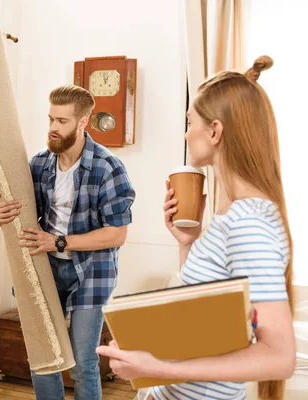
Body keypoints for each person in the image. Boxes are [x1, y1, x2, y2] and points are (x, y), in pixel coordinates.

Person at [96, 56, 296, 400]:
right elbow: (211, 320)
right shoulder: (231, 215)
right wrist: (188, 241)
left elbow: (278, 358)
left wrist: (158, 368)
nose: (186, 134)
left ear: (215, 131)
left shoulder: (247, 222)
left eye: (190, 122)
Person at [0, 84, 136, 400]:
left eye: (63, 121)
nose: (53, 128)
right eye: (51, 119)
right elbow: (20, 212)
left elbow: (117, 234)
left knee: (83, 363)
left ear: (83, 123)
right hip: (46, 268)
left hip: (91, 274)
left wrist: (58, 242)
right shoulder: (40, 163)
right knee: (45, 359)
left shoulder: (108, 168)